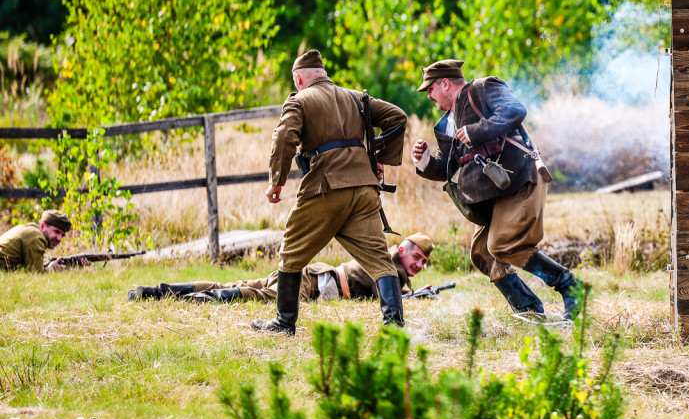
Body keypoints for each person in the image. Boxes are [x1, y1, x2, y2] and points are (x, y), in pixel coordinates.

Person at [252, 49, 409, 335]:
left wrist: (277, 180)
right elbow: (398, 118)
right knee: (379, 259)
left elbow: (285, 136)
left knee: (292, 251)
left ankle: (284, 323)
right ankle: (394, 326)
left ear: (299, 79)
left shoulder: (299, 100)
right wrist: (378, 160)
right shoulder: (356, 98)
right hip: (364, 189)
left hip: (326, 187)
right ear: (324, 74)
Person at [411, 59, 582, 320]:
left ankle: (569, 285)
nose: (429, 96)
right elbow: (448, 167)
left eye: (430, 89)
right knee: (481, 252)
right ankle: (529, 310)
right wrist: (424, 163)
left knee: (502, 244)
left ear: (445, 83)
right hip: (495, 194)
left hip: (519, 180)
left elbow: (515, 110)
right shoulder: (445, 125)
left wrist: (477, 131)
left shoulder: (482, 88)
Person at [126, 233, 433, 303]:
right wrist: (414, 296)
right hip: (313, 283)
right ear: (402, 249)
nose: (418, 265)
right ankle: (203, 300)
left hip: (310, 274)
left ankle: (158, 291)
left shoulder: (388, 263)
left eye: (423, 263)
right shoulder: (392, 266)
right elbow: (390, 294)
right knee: (263, 298)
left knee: (243, 284)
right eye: (416, 257)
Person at [0, 210, 85, 272]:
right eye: (56, 232)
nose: (59, 238)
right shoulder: (36, 237)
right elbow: (36, 274)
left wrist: (74, 264)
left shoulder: (28, 229)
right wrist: (51, 269)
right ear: (43, 225)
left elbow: (27, 269)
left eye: (62, 235)